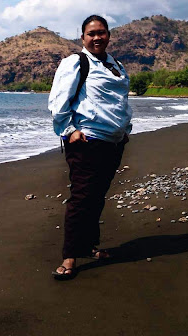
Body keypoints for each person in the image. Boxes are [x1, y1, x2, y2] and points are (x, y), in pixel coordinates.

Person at [48, 15, 132, 280]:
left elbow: (120, 101)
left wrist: (125, 130)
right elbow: (58, 101)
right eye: (91, 33)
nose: (97, 37)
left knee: (97, 197)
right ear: (82, 37)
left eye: (101, 32)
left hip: (113, 142)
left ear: (109, 35)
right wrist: (69, 131)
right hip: (87, 142)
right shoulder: (76, 63)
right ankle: (70, 256)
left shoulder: (115, 65)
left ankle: (88, 246)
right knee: (82, 198)